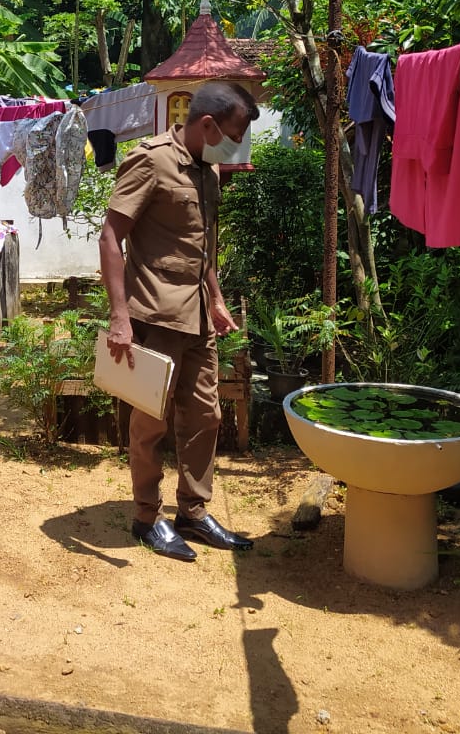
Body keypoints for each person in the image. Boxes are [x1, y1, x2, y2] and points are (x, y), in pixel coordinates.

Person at [98, 79, 259, 561]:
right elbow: (111, 236)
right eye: (233, 133)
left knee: (205, 415)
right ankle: (147, 518)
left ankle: (193, 510)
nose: (236, 144)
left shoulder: (208, 171)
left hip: (197, 318)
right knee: (151, 422)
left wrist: (217, 297)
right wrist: (120, 316)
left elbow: (201, 246)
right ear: (207, 124)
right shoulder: (151, 160)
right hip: (155, 315)